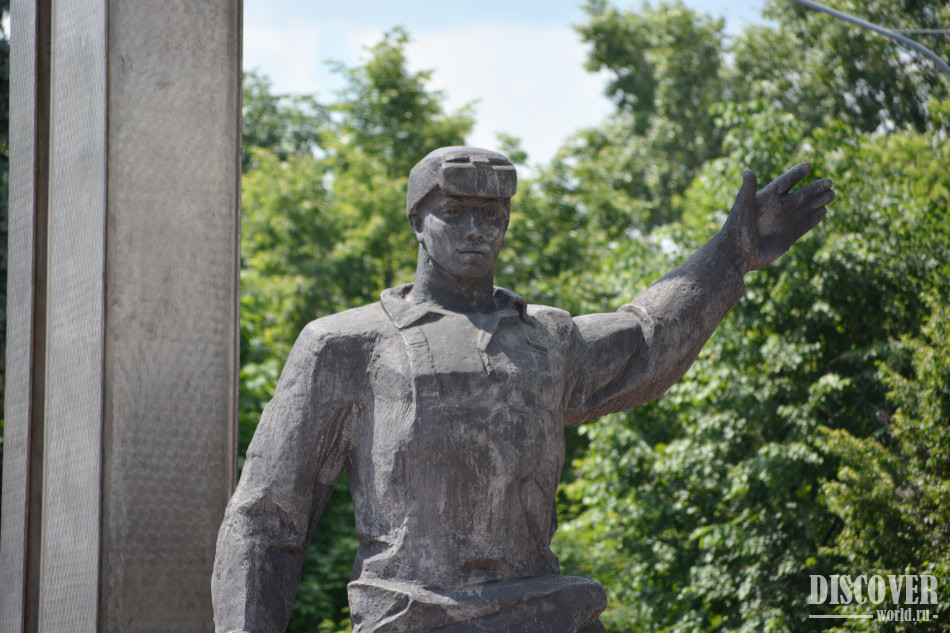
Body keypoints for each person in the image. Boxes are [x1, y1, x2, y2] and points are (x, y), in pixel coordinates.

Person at [212, 146, 835, 633]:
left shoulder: (546, 339)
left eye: (492, 216)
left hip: (546, 613)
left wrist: (732, 253)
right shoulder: (345, 345)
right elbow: (266, 521)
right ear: (417, 220)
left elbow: (648, 338)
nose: (476, 231)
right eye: (455, 213)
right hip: (414, 617)